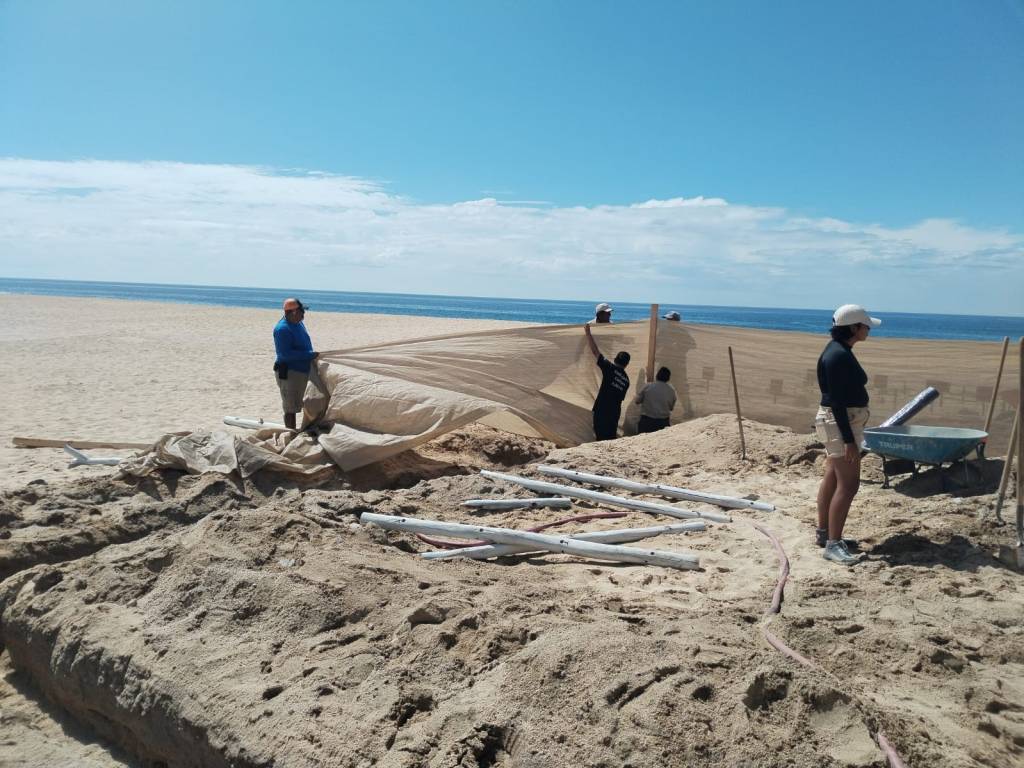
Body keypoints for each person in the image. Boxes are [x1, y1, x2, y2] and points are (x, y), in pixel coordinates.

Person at [814, 304, 880, 566]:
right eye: (866, 326)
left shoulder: (838, 351)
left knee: (833, 476)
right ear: (854, 327)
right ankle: (833, 544)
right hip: (841, 424)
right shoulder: (838, 356)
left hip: (838, 422)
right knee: (849, 485)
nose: (869, 330)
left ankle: (825, 533)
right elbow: (837, 402)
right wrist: (849, 441)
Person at [273, 298, 318, 430]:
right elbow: (285, 354)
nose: (304, 314)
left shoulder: (298, 323)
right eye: (302, 311)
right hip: (289, 373)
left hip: (303, 371)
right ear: (293, 312)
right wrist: (310, 355)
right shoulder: (282, 329)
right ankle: (291, 433)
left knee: (309, 402)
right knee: (290, 408)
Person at [583, 323, 630, 440]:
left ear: (615, 359)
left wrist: (588, 333)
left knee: (600, 437)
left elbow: (595, 352)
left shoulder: (610, 368)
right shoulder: (626, 380)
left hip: (602, 409)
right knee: (610, 437)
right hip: (614, 413)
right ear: (626, 364)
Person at [635, 366, 676, 433]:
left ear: (657, 375)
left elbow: (637, 401)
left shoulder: (648, 386)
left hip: (647, 422)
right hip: (663, 423)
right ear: (668, 378)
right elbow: (671, 408)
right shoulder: (671, 391)